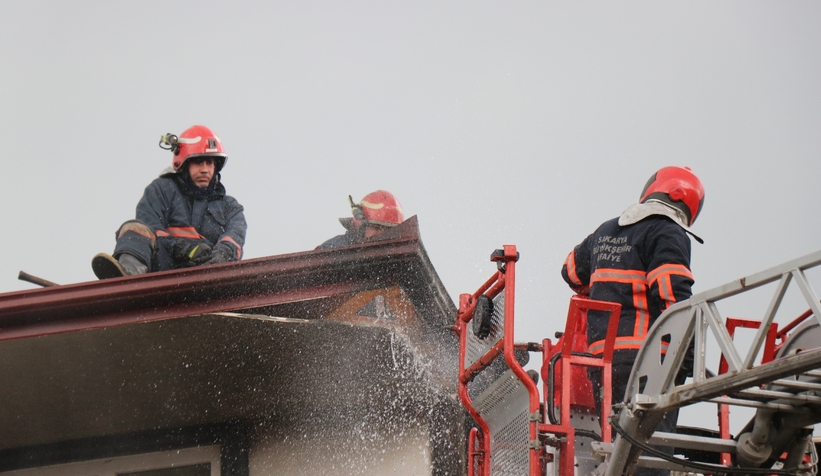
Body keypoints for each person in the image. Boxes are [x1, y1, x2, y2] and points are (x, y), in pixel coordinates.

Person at [560, 166, 705, 476]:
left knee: (617, 448)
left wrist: (604, 286)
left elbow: (570, 272)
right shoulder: (666, 231)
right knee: (650, 458)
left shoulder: (605, 232)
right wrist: (687, 356)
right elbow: (673, 294)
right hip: (649, 361)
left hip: (605, 361)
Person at [92, 125, 247, 279]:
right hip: (165, 270)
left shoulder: (230, 207)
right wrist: (182, 248)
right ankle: (127, 280)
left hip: (209, 276)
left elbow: (235, 236)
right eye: (199, 162)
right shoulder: (161, 191)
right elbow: (151, 227)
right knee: (134, 229)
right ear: (183, 164)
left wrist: (222, 254)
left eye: (210, 163)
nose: (205, 169)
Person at [316, 190, 404, 249]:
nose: (382, 234)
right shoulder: (333, 249)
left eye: (389, 230)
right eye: (377, 227)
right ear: (361, 227)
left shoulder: (404, 254)